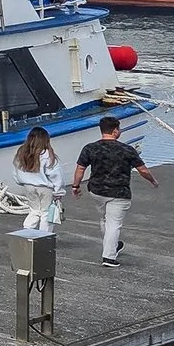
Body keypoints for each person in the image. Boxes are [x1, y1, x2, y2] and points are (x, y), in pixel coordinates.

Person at [71, 114, 159, 266]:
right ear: (115, 131)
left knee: (105, 218)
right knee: (114, 223)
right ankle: (109, 257)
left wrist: (75, 186)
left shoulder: (90, 148)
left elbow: (80, 168)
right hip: (119, 193)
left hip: (97, 191)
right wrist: (153, 180)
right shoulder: (127, 150)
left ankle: (112, 245)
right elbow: (143, 170)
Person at [11, 126, 63, 230]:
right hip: (45, 188)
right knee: (46, 213)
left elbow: (16, 173)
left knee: (34, 210)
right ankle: (44, 236)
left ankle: (27, 231)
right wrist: (58, 191)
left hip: (28, 186)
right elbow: (55, 175)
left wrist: (22, 182)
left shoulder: (21, 153)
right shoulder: (47, 154)